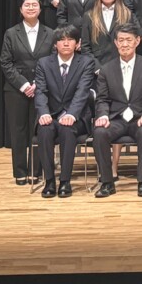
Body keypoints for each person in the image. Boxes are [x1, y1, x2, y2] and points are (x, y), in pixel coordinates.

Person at [92, 23, 142, 198]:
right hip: (116, 120)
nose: (124, 44)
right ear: (115, 43)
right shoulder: (106, 69)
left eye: (128, 40)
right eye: (121, 40)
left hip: (140, 118)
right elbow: (102, 99)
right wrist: (103, 115)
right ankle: (107, 183)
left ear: (137, 41)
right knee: (99, 132)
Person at [34, 25, 96, 198]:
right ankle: (49, 180)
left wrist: (71, 114)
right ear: (55, 44)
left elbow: (82, 92)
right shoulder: (44, 63)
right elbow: (40, 91)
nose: (66, 43)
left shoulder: (86, 62)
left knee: (67, 130)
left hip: (76, 117)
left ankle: (65, 181)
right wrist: (44, 113)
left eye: (70, 39)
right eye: (62, 40)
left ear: (78, 43)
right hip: (51, 115)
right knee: (44, 130)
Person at [0, 0, 54, 183]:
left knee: (38, 130)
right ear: (21, 10)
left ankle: (35, 171)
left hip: (42, 89)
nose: (31, 8)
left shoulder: (50, 33)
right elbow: (6, 63)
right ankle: (20, 172)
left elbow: (52, 61)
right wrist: (23, 85)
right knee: (18, 131)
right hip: (16, 90)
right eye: (27, 5)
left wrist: (38, 83)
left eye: (34, 5)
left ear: (40, 9)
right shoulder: (11, 33)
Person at [80, 0, 133, 70]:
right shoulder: (89, 16)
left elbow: (132, 44)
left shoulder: (127, 14)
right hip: (97, 70)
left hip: (122, 68)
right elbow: (85, 48)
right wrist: (97, 68)